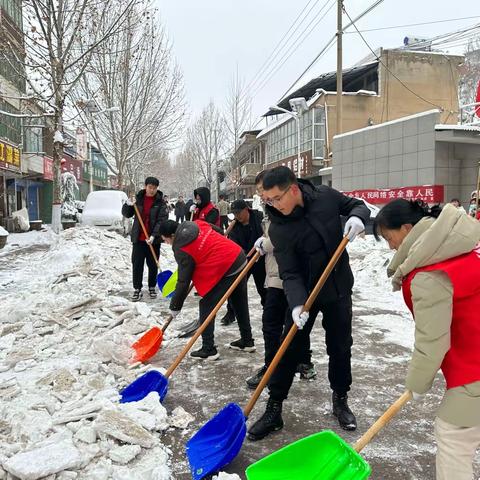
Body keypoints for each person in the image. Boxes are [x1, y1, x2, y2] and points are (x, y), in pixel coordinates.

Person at [247, 166, 370, 441]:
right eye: (267, 201)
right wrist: (296, 304)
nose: (272, 205)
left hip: (337, 287)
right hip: (306, 293)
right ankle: (274, 408)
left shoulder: (325, 196)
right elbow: (289, 272)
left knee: (340, 345)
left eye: (276, 198)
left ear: (293, 189)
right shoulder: (278, 227)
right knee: (288, 346)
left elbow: (357, 205)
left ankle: (340, 398)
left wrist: (358, 217)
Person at [374, 199, 480, 480]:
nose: (390, 246)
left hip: (474, 367)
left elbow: (432, 340)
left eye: (390, 237)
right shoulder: (459, 248)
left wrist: (417, 383)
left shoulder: (430, 275)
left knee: (453, 436)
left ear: (407, 229)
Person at [246, 170, 316, 390]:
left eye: (264, 192)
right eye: (261, 193)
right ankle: (279, 365)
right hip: (275, 274)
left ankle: (283, 366)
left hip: (286, 276)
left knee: (284, 324)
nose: (264, 198)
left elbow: (289, 236)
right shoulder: (270, 208)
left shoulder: (289, 204)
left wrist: (268, 243)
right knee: (283, 324)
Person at [159, 219, 255, 359]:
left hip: (226, 266)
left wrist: (175, 306)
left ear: (173, 236)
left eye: (165, 240)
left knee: (206, 304)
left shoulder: (181, 248)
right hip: (238, 256)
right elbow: (219, 231)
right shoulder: (196, 223)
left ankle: (208, 348)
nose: (167, 243)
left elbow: (183, 281)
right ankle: (247, 341)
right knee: (238, 301)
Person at [122, 177, 168, 301]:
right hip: (139, 239)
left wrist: (154, 236)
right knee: (137, 264)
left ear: (157, 188)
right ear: (145, 186)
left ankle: (152, 286)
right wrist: (128, 205)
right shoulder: (138, 199)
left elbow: (161, 221)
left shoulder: (160, 203)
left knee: (153, 264)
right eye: (150, 187)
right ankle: (137, 288)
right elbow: (127, 214)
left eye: (154, 188)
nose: (152, 190)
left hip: (153, 240)